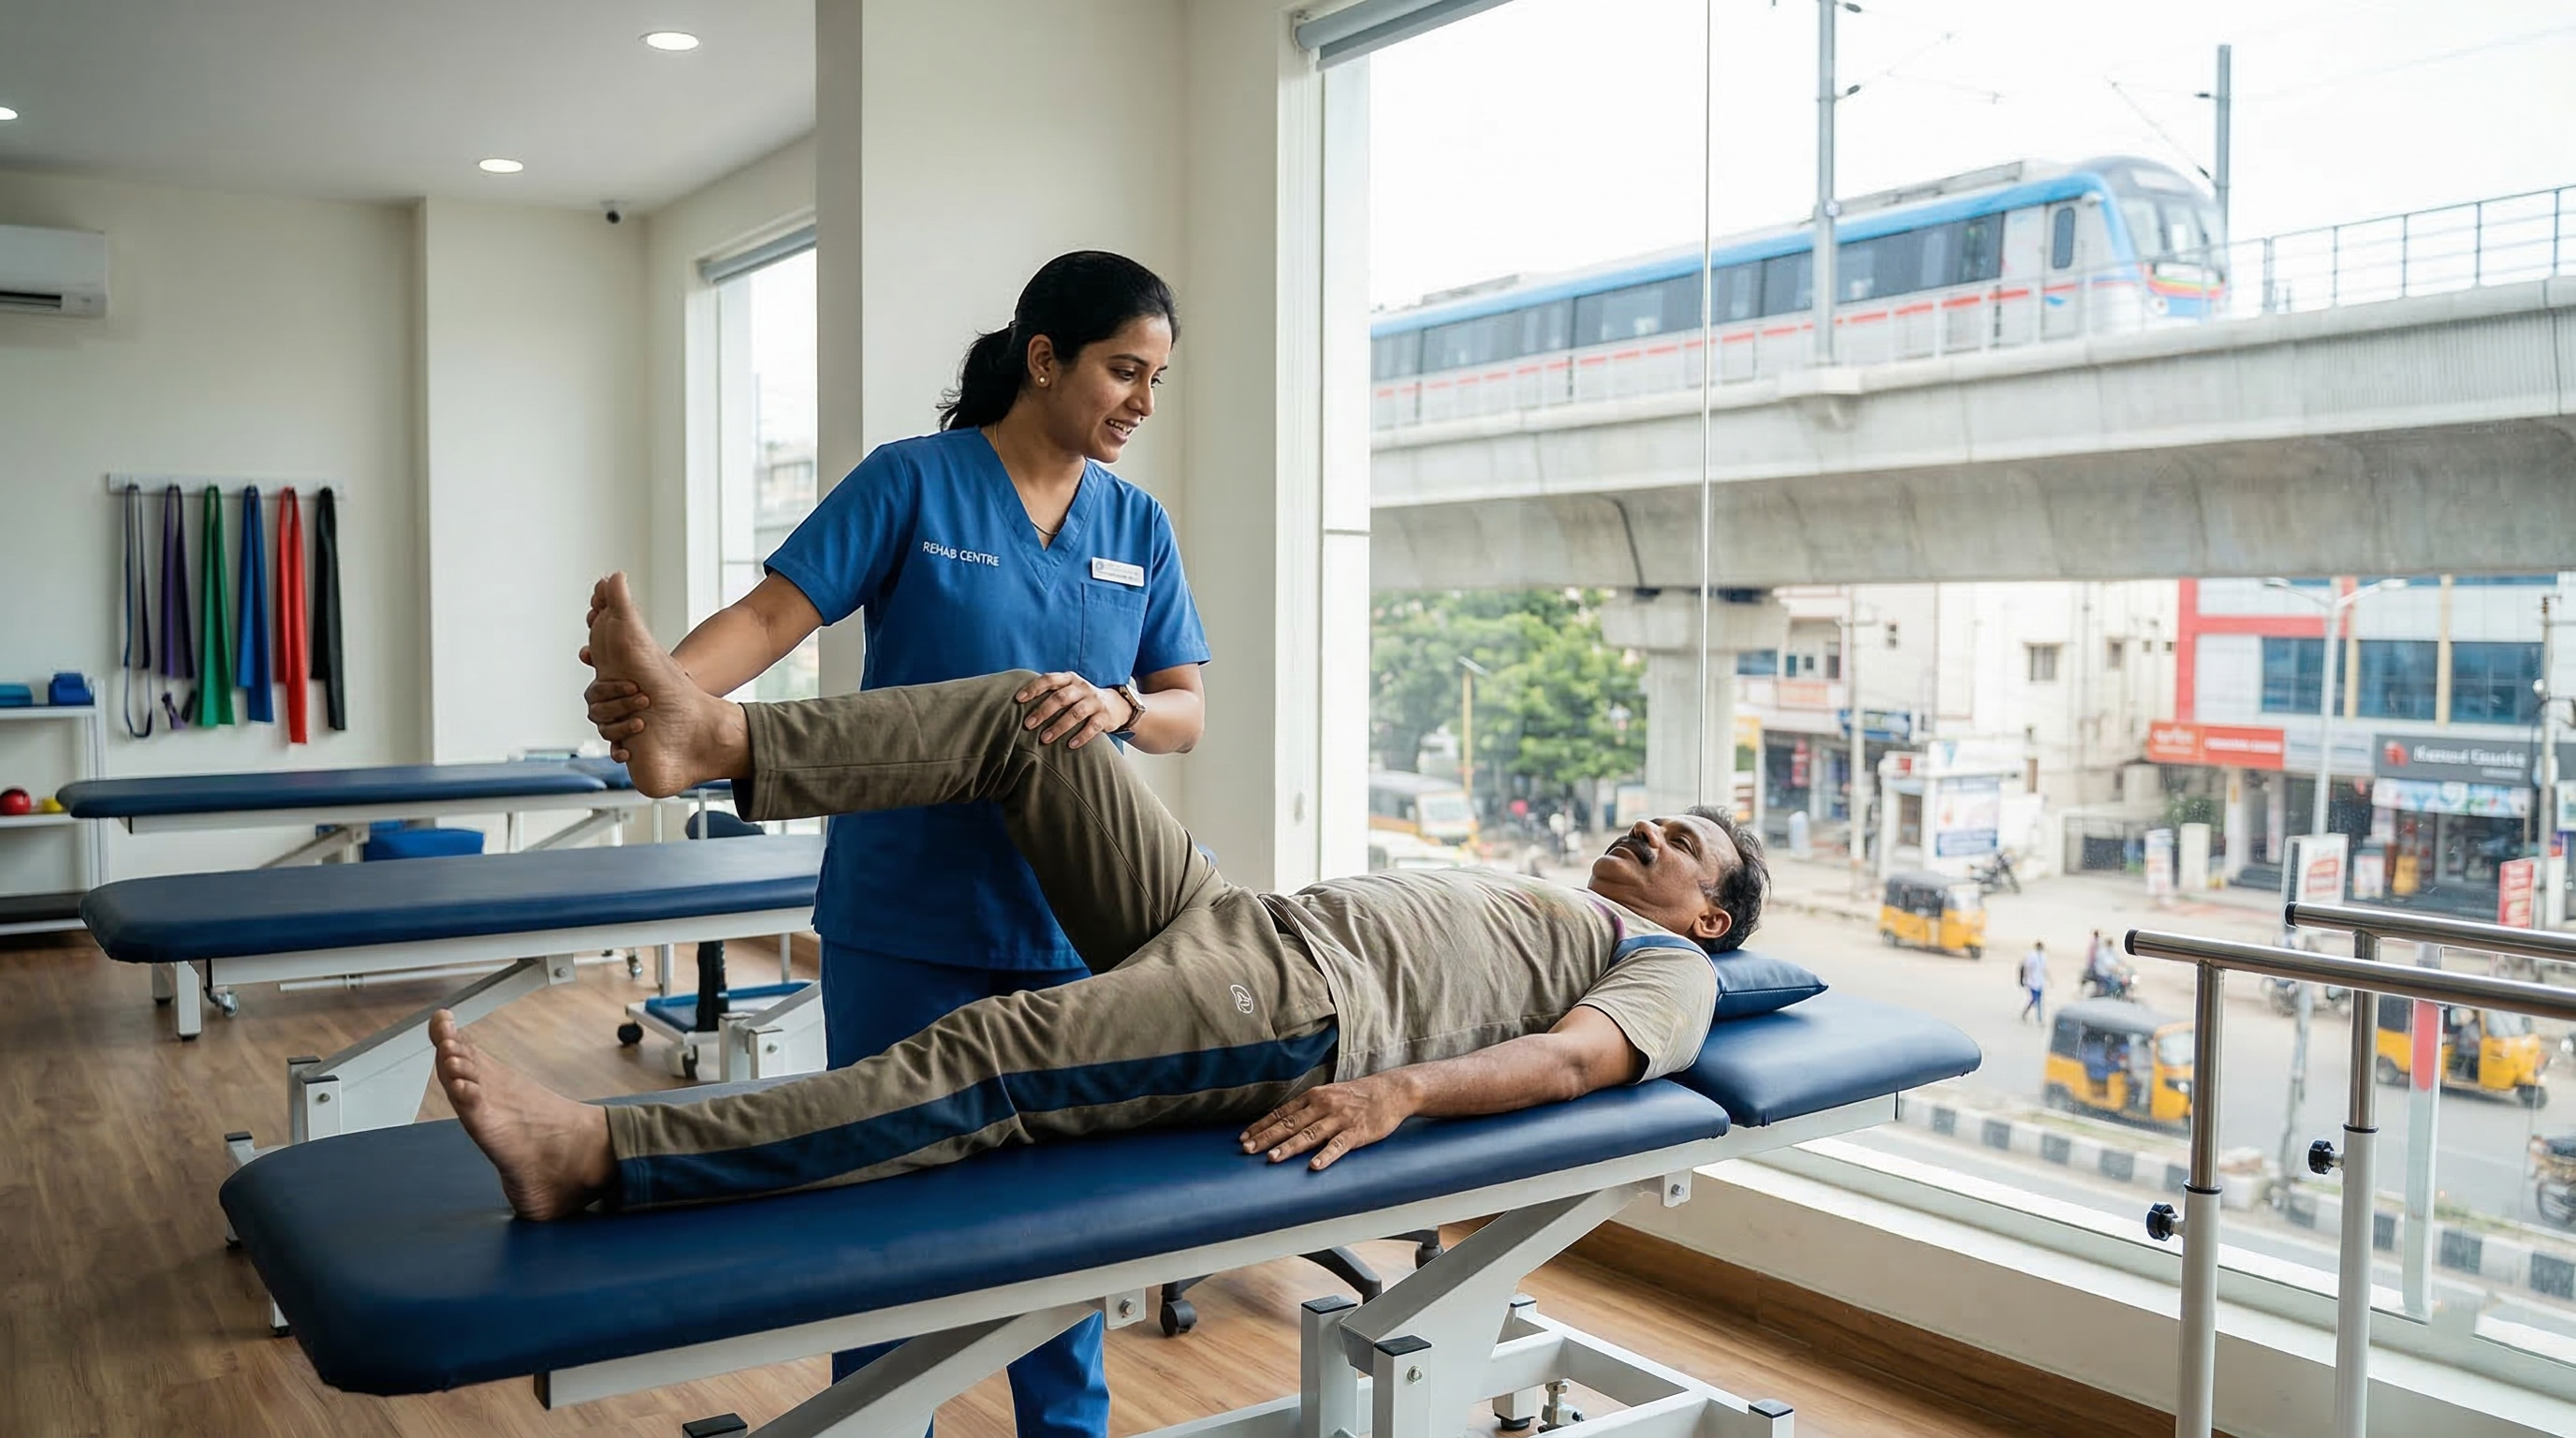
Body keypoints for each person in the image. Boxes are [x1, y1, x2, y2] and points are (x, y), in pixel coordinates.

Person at [430, 575, 1766, 1241]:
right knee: (1038, 713)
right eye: (1655, 818)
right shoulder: (1547, 889)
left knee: (988, 1050)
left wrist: (1399, 1094)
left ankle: (603, 1160)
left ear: (1710, 918)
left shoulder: (1668, 971)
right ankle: (714, 745)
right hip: (1239, 919)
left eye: (1685, 845)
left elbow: (1576, 1060)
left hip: (1297, 1013)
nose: (1649, 831)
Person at [582, 252, 1208, 1436]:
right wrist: (663, 690)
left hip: (1070, 922)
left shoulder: (1138, 524)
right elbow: (776, 614)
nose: (1141, 402)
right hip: (905, 912)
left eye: (1157, 380)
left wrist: (1123, 707)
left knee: (1060, 1233)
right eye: (1124, 370)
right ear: (1043, 358)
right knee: (886, 1215)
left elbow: (1182, 706)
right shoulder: (915, 483)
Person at [2019, 941, 2048, 1024]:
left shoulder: (2043, 956)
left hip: (2040, 981)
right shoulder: (2032, 956)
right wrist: (2025, 978)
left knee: (2039, 1000)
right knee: (2034, 999)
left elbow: (2044, 969)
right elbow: (2027, 967)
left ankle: (2039, 1018)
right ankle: (2026, 1013)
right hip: (2032, 981)